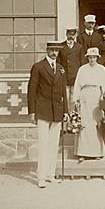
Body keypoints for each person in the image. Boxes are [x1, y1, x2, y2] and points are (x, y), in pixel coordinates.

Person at [27, 41, 69, 188]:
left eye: (57, 50)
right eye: (52, 50)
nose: (54, 53)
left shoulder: (61, 69)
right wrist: (32, 111)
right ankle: (41, 177)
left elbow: (64, 92)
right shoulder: (38, 67)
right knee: (43, 145)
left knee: (53, 145)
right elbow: (31, 90)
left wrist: (66, 111)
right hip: (43, 111)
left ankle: (50, 174)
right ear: (46, 50)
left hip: (57, 111)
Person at [73, 47, 105, 162]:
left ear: (97, 58)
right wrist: (76, 98)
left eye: (94, 57)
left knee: (96, 123)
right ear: (87, 58)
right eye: (90, 57)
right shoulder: (82, 69)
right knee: (84, 123)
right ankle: (83, 152)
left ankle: (97, 152)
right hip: (85, 96)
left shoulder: (101, 69)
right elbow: (77, 84)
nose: (92, 59)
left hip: (96, 96)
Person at [58, 27, 86, 112]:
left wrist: (81, 76)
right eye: (69, 34)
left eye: (73, 35)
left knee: (74, 98)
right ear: (66, 35)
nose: (71, 37)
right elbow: (58, 62)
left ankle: (74, 116)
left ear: (75, 36)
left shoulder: (79, 47)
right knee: (65, 97)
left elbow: (82, 63)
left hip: (75, 77)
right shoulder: (61, 46)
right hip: (65, 77)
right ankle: (66, 115)